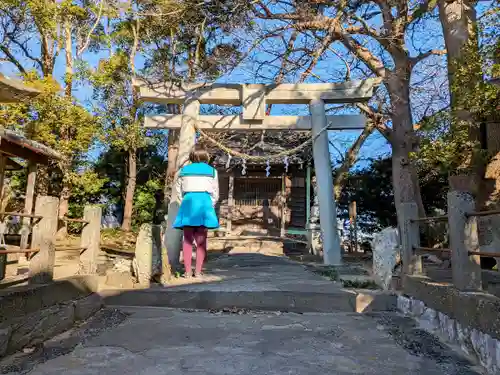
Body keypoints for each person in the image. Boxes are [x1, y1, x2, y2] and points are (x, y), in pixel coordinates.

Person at [173, 145, 219, 278]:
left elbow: (178, 190)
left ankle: (187, 271)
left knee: (186, 240)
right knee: (201, 240)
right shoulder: (212, 171)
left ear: (192, 156)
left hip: (188, 203)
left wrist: (184, 202)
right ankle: (198, 271)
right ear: (205, 156)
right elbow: (215, 192)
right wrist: (210, 204)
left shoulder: (183, 170)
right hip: (204, 203)